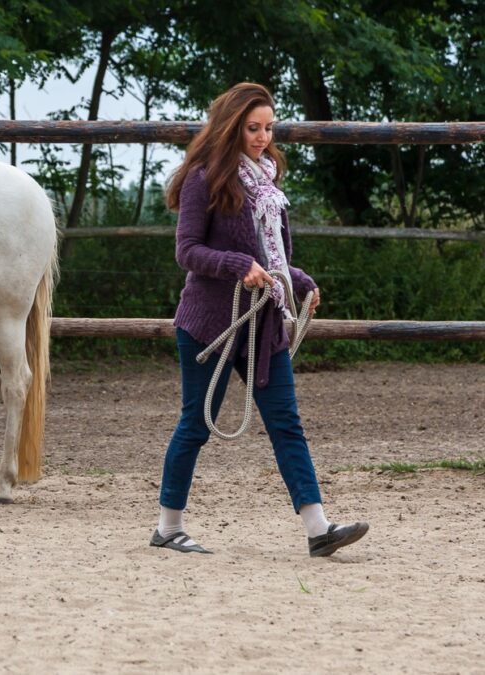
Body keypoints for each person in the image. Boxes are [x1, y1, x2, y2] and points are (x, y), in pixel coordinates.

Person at [150, 82, 368, 557]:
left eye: (269, 128)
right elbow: (187, 251)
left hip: (263, 322)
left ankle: (318, 529)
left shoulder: (267, 184)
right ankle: (168, 527)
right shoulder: (202, 179)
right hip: (210, 322)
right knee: (196, 423)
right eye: (253, 128)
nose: (262, 137)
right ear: (231, 126)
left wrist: (300, 280)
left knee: (286, 422)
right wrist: (235, 266)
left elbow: (269, 258)